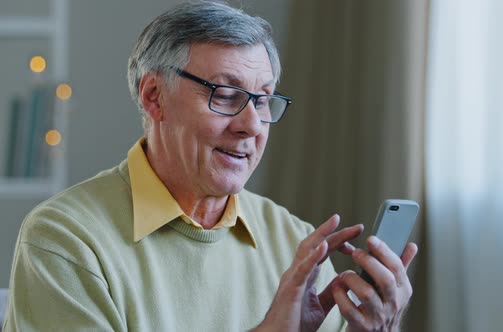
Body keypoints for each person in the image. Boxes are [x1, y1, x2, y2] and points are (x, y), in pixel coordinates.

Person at [3, 1, 417, 331]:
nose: (251, 125)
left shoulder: (296, 241)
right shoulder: (64, 240)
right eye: (225, 94)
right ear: (154, 97)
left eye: (261, 99)